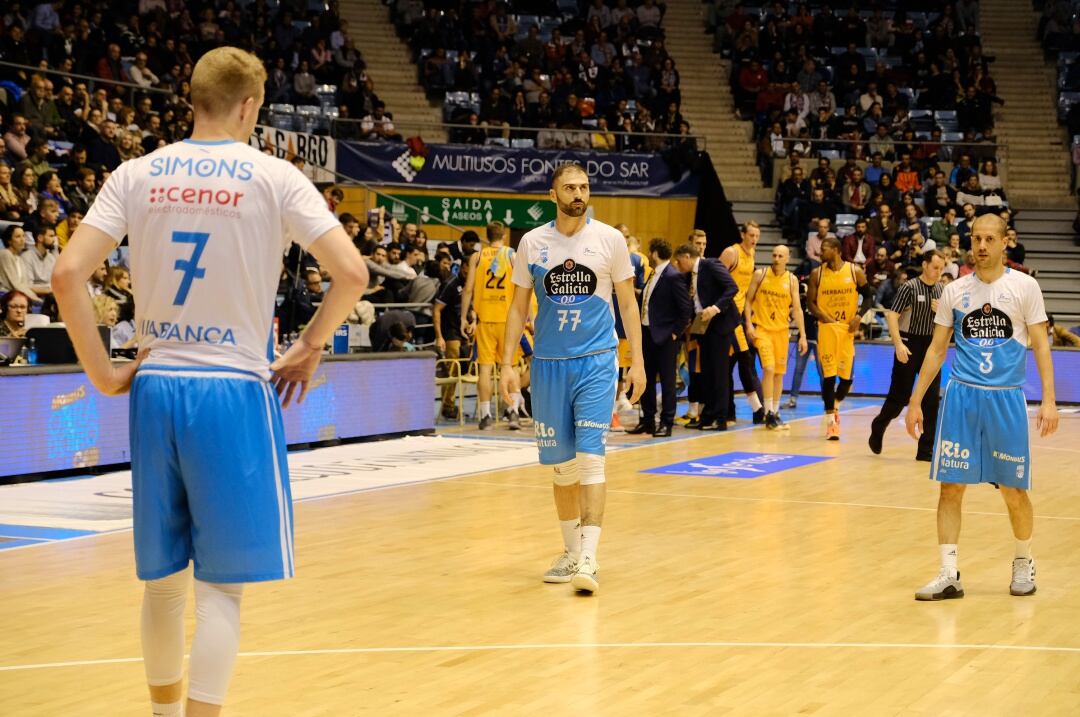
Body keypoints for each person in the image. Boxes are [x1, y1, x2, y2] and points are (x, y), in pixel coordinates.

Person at [50, 47, 368, 717]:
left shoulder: (136, 173)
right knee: (222, 589)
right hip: (231, 386)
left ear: (192, 98)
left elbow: (66, 275)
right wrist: (310, 345)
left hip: (157, 382)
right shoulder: (274, 175)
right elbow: (352, 273)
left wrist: (104, 372)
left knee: (163, 584)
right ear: (251, 106)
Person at [499, 163, 645, 595]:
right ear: (553, 194)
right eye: (570, 187)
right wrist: (508, 363)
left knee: (591, 459)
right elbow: (517, 308)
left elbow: (629, 306)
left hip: (597, 361)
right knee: (562, 469)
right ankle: (569, 551)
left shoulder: (610, 240)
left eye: (583, 186)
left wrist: (636, 360)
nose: (578, 193)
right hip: (547, 364)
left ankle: (589, 556)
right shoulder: (532, 243)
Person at [906, 214, 1058, 601]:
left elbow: (1041, 345)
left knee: (1013, 490)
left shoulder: (1025, 287)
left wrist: (1049, 400)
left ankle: (1023, 561)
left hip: (1005, 397)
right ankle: (948, 573)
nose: (982, 246)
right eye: (976, 239)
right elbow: (937, 350)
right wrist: (915, 400)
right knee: (950, 487)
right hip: (962, 397)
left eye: (990, 239)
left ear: (1005, 242)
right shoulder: (955, 291)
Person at [869, 250, 946, 461]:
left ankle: (925, 450)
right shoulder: (909, 287)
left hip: (931, 345)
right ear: (924, 265)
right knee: (900, 397)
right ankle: (879, 424)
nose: (939, 272)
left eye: (941, 268)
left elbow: (949, 323)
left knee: (931, 399)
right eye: (935, 267)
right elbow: (892, 315)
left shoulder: (943, 290)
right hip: (908, 343)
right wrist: (898, 344)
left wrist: (944, 311)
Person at [806, 236, 874, 439]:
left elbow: (869, 296)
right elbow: (810, 303)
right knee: (828, 377)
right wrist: (822, 315)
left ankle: (834, 407)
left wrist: (859, 317)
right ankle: (831, 424)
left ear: (836, 250)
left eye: (824, 249)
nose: (820, 252)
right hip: (826, 329)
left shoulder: (854, 271)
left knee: (846, 380)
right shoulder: (816, 274)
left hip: (846, 330)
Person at [627, 238, 693, 437]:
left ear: (655, 253)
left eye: (650, 251)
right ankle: (647, 421)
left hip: (665, 338)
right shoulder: (653, 274)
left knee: (667, 382)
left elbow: (686, 308)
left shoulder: (672, 276)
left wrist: (675, 332)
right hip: (647, 334)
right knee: (644, 378)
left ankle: (667, 422)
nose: (648, 254)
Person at [461, 221, 522, 430]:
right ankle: (513, 412)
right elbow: (522, 289)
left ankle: (485, 416)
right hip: (507, 320)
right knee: (511, 366)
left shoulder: (477, 257)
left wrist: (464, 317)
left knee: (485, 370)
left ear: (487, 237)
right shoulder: (512, 256)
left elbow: (468, 290)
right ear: (503, 236)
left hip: (485, 319)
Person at [672, 243, 739, 430]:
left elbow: (732, 288)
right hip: (703, 328)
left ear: (686, 256)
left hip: (720, 326)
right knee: (707, 373)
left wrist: (715, 308)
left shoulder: (710, 265)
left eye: (679, 261)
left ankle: (720, 418)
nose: (678, 265)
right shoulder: (689, 277)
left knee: (719, 373)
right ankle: (707, 417)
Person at [744, 244, 808, 429]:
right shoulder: (760, 274)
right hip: (762, 329)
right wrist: (749, 324)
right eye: (774, 255)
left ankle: (775, 413)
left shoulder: (792, 280)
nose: (777, 258)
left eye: (781, 256)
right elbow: (748, 302)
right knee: (769, 369)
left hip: (782, 332)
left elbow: (797, 309)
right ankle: (768, 412)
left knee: (779, 374)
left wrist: (802, 335)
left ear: (787, 258)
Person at [719, 222, 765, 424]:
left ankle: (734, 411)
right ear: (743, 234)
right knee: (743, 362)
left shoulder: (752, 255)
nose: (754, 239)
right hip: (729, 315)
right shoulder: (732, 252)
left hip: (744, 316)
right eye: (751, 235)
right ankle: (757, 410)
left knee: (736, 364)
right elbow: (715, 278)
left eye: (757, 235)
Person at [434, 254, 470, 420]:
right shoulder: (450, 284)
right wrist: (439, 336)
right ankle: (447, 406)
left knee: (462, 372)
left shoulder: (472, 284)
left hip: (466, 333)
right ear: (463, 267)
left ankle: (451, 403)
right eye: (469, 267)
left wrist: (474, 321)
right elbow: (436, 310)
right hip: (451, 334)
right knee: (452, 371)